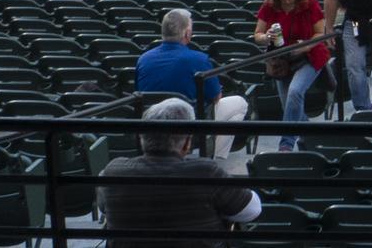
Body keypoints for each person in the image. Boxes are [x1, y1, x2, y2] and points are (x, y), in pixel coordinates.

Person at [96, 98, 262, 242]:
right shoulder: (205, 172)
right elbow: (252, 210)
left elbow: (104, 207)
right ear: (186, 143)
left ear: (142, 138)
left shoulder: (114, 171)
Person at [135, 9, 250, 157]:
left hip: (152, 126)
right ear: (187, 33)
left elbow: (139, 95)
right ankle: (214, 160)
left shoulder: (143, 59)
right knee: (240, 102)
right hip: (190, 128)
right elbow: (216, 97)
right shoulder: (199, 59)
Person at [253, 0, 329, 152]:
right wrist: (266, 37)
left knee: (295, 93)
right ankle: (311, 139)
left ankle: (286, 144)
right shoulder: (270, 5)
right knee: (291, 106)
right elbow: (257, 34)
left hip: (309, 56)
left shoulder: (309, 4)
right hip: (282, 60)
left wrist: (306, 45)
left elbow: (320, 33)